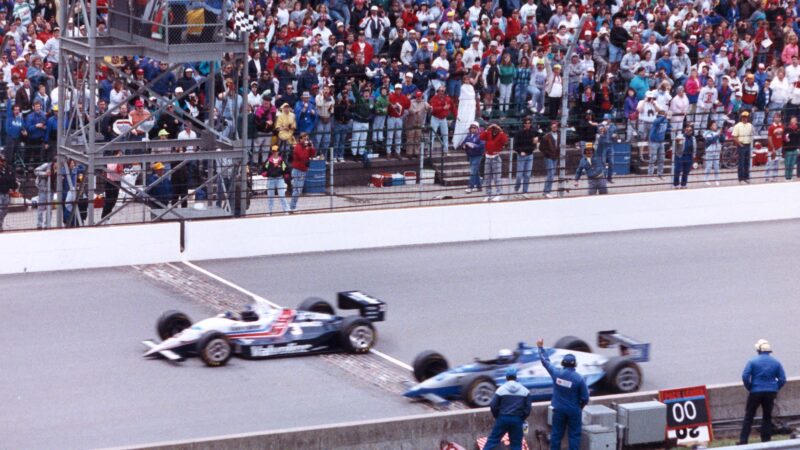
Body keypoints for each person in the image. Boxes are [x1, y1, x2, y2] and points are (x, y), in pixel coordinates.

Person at [537, 338, 589, 450]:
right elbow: (585, 398)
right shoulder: (579, 379)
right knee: (574, 436)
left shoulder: (557, 374)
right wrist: (579, 407)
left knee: (556, 435)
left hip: (559, 410)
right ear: (575, 364)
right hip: (574, 411)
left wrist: (540, 347)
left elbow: (546, 362)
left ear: (563, 364)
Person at [739, 339, 787, 445]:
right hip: (770, 392)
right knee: (767, 416)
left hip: (755, 391)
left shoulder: (752, 361)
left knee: (749, 416)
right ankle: (766, 440)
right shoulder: (776, 362)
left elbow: (745, 376)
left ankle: (743, 440)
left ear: (758, 350)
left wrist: (750, 387)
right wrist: (775, 388)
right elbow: (782, 379)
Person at [483, 366, 532, 450]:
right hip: (517, 419)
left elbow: (493, 405)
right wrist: (521, 418)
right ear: (516, 377)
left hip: (502, 418)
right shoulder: (525, 391)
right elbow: (528, 408)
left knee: (492, 441)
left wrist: (497, 416)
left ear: (506, 377)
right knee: (516, 444)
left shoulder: (501, 390)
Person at [480, 123, 509, 202]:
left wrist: (500, 130)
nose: (494, 129)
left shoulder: (501, 134)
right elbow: (481, 137)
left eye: (495, 128)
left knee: (497, 177)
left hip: (496, 157)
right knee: (487, 177)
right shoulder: (488, 133)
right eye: (493, 128)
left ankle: (499, 194)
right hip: (488, 157)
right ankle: (488, 195)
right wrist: (487, 129)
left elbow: (505, 140)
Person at [290, 133, 316, 212]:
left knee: (298, 190)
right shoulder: (297, 147)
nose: (306, 141)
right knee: (297, 190)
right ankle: (292, 207)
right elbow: (302, 156)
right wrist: (306, 147)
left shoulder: (306, 147)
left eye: (307, 139)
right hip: (298, 170)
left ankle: (291, 206)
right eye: (304, 139)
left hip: (303, 170)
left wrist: (311, 147)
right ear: (300, 139)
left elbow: (312, 154)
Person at [513, 117, 539, 197]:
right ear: (523, 124)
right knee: (519, 175)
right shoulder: (519, 133)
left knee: (527, 174)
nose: (527, 125)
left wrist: (537, 140)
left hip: (530, 155)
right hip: (521, 156)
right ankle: (516, 189)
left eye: (529, 123)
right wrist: (520, 152)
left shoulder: (533, 132)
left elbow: (537, 139)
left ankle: (525, 191)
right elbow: (515, 146)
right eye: (526, 123)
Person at [262, 145, 290, 214]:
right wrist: (265, 173)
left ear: (278, 152)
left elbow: (286, 169)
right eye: (273, 151)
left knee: (282, 195)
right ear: (272, 152)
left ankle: (286, 210)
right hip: (271, 179)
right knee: (270, 196)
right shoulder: (268, 161)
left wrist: (286, 174)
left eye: (276, 151)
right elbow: (263, 169)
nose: (275, 153)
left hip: (280, 179)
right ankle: (270, 211)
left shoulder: (281, 161)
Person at [460, 122, 485, 194]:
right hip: (470, 155)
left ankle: (470, 187)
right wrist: (464, 146)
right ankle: (479, 186)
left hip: (478, 155)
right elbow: (463, 143)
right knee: (475, 171)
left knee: (473, 171)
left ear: (477, 128)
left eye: (474, 128)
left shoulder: (480, 136)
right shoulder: (468, 136)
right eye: (471, 128)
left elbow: (482, 145)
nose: (472, 129)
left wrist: (473, 146)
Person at [732, 111, 754, 183]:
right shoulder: (737, 126)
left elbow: (752, 133)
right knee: (741, 162)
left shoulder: (750, 125)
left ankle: (746, 177)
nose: (745, 119)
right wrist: (739, 143)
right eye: (744, 117)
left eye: (746, 117)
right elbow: (734, 136)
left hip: (747, 144)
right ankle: (741, 178)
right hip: (741, 145)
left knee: (747, 162)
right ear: (741, 117)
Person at [648, 110, 670, 181]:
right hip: (654, 141)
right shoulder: (656, 120)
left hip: (661, 142)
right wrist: (664, 117)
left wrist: (672, 129)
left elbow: (668, 127)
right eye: (663, 114)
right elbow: (658, 121)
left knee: (662, 159)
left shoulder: (666, 121)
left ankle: (660, 174)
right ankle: (650, 174)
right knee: (653, 158)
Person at [540, 121, 559, 198]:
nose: (554, 127)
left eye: (556, 126)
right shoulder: (546, 136)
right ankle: (547, 191)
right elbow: (541, 147)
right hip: (549, 157)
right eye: (553, 126)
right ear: (551, 127)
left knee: (551, 174)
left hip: (555, 157)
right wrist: (547, 153)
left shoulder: (559, 135)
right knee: (550, 174)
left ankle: (546, 191)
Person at [673, 123, 695, 189]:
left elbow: (694, 147)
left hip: (689, 156)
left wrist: (693, 155)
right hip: (680, 156)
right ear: (684, 130)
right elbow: (675, 146)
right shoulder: (680, 136)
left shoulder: (693, 138)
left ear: (692, 131)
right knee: (677, 170)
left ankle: (684, 184)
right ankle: (676, 184)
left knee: (686, 171)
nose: (688, 132)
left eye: (690, 130)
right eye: (687, 130)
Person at [0, 155, 19, 231]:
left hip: (6, 192)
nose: (3, 162)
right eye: (2, 161)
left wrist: (14, 187)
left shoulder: (9, 169)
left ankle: (0, 223)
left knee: (5, 210)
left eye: (4, 161)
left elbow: (13, 179)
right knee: (0, 209)